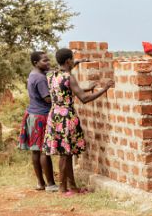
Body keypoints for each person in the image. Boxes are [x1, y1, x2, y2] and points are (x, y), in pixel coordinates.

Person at [44, 48, 114, 196]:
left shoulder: (51, 75)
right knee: (65, 154)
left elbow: (66, 88)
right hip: (66, 117)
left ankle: (72, 187)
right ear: (68, 61)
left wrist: (86, 84)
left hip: (55, 115)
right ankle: (63, 189)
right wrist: (104, 89)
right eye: (73, 59)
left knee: (67, 153)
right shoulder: (69, 77)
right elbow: (84, 99)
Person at [18, 51, 58, 192]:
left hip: (33, 114)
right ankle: (51, 184)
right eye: (44, 61)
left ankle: (41, 183)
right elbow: (47, 99)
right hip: (41, 116)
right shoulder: (40, 78)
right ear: (36, 63)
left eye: (48, 60)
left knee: (36, 151)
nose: (48, 63)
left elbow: (54, 70)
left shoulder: (33, 74)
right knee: (43, 151)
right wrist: (62, 95)